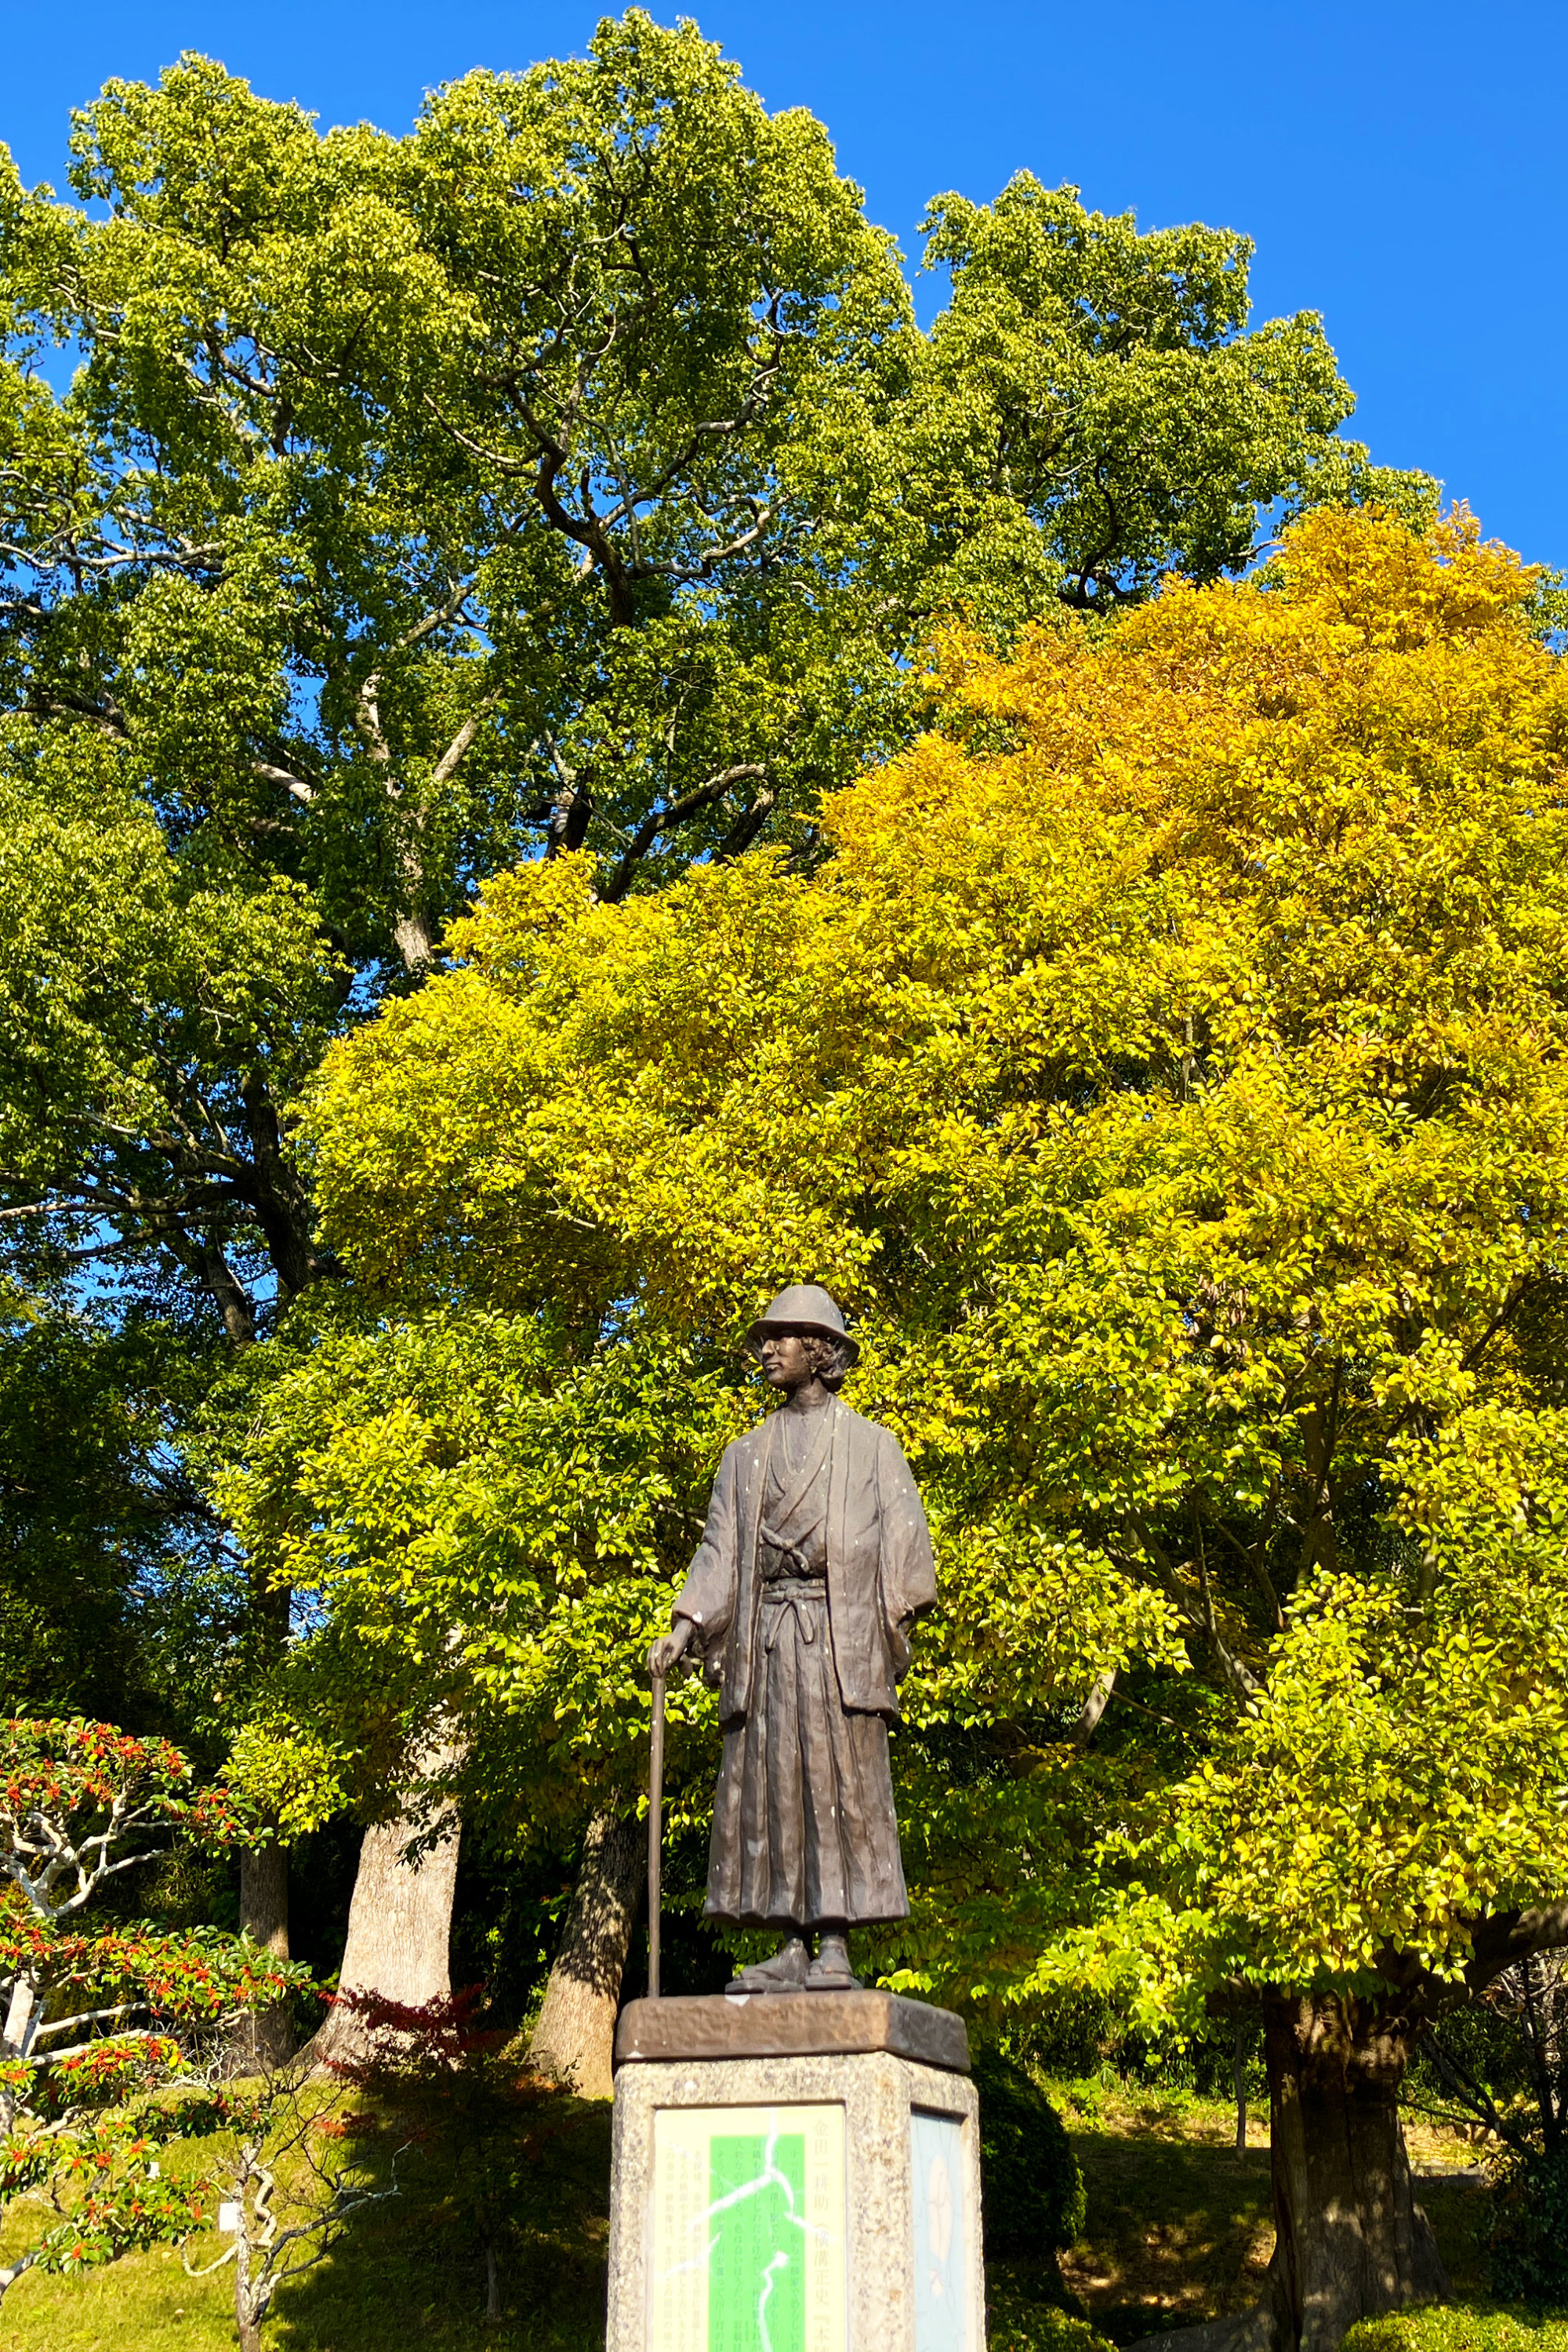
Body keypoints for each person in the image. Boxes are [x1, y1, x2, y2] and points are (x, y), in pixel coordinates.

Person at [648, 1284, 936, 1992]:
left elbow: (908, 1547)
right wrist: (685, 1627)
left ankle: (835, 1945)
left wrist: (887, 1617)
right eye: (766, 1338)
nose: (768, 1349)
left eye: (784, 1337)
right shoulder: (743, 1458)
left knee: (836, 1784)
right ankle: (786, 1943)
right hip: (769, 1643)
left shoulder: (872, 1447)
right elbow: (719, 1550)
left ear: (822, 1351)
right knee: (773, 1785)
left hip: (838, 1644)